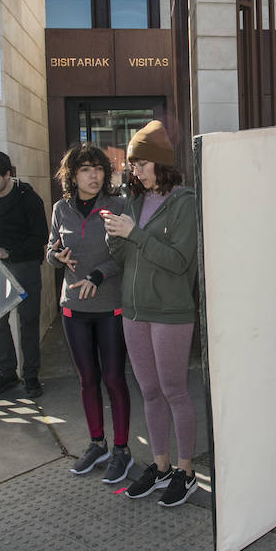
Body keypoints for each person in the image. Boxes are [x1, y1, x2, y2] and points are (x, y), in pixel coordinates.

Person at [103, 121, 201, 507]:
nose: (134, 170)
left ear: (161, 163)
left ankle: (186, 471)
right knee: (149, 391)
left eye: (141, 163)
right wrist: (115, 238)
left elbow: (179, 262)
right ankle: (160, 467)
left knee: (174, 391)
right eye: (131, 164)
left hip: (171, 312)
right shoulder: (134, 203)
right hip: (134, 311)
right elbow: (128, 258)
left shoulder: (185, 202)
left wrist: (136, 235)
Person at [47, 143, 133, 484]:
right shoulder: (60, 209)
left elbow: (126, 255)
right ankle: (98, 444)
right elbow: (51, 248)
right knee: (86, 380)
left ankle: (123, 450)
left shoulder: (117, 206)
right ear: (73, 175)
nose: (94, 175)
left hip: (109, 306)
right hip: (73, 308)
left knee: (113, 378)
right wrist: (58, 258)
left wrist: (98, 274)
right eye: (85, 169)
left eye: (98, 168)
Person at [0, 149, 49, 399]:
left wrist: (9, 251)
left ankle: (31, 376)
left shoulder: (29, 198)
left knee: (28, 321)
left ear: (8, 174)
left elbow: (40, 238)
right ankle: (6, 373)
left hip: (25, 262)